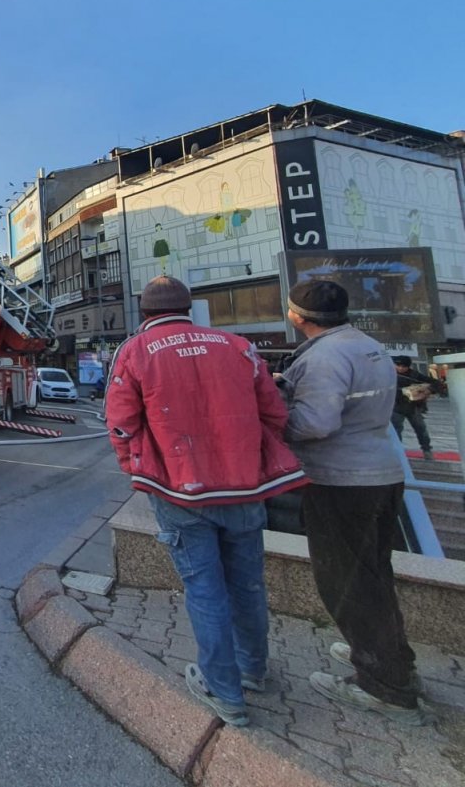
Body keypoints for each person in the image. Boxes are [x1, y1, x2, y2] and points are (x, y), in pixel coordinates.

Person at [106, 276, 306, 727]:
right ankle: (253, 668)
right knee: (248, 583)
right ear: (189, 308)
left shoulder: (135, 352)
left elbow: (120, 423)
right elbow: (275, 413)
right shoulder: (238, 347)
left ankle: (224, 690)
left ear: (144, 312)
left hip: (180, 489)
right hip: (243, 487)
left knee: (204, 587)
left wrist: (137, 467)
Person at [279, 280, 423, 725]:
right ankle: (390, 656)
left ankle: (383, 685)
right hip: (383, 473)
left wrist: (275, 420)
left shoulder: (323, 357)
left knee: (346, 580)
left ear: (297, 316)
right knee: (375, 574)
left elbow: (316, 423)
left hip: (342, 481)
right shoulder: (369, 346)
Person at [390, 355, 443, 461]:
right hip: (396, 406)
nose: (400, 368)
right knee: (396, 431)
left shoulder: (414, 375)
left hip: (413, 407)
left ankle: (427, 450)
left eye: (403, 366)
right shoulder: (389, 374)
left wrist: (428, 391)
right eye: (398, 365)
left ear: (408, 366)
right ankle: (398, 452)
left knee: (421, 429)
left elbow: (436, 383)